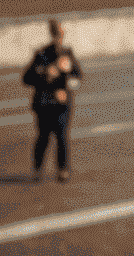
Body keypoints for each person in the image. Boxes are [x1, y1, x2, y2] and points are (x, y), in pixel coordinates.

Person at [23, 19, 81, 183]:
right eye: (56, 33)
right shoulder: (42, 54)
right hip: (44, 104)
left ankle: (62, 170)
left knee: (62, 137)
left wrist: (67, 87)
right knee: (43, 137)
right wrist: (47, 74)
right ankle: (37, 169)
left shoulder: (67, 54)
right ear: (52, 34)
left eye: (61, 34)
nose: (59, 38)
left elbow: (78, 78)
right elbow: (26, 78)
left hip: (62, 106)